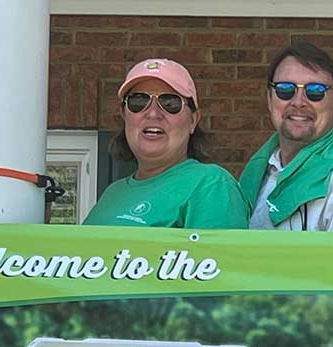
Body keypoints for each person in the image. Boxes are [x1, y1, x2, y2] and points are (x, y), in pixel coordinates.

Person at [239, 41, 333, 232]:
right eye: (285, 89)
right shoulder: (259, 168)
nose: (299, 102)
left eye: (315, 91)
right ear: (269, 98)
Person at [84, 58, 248, 228]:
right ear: (124, 115)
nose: (153, 113)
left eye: (170, 103)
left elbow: (218, 254)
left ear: (193, 120)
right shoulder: (113, 193)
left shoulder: (211, 186)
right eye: (138, 101)